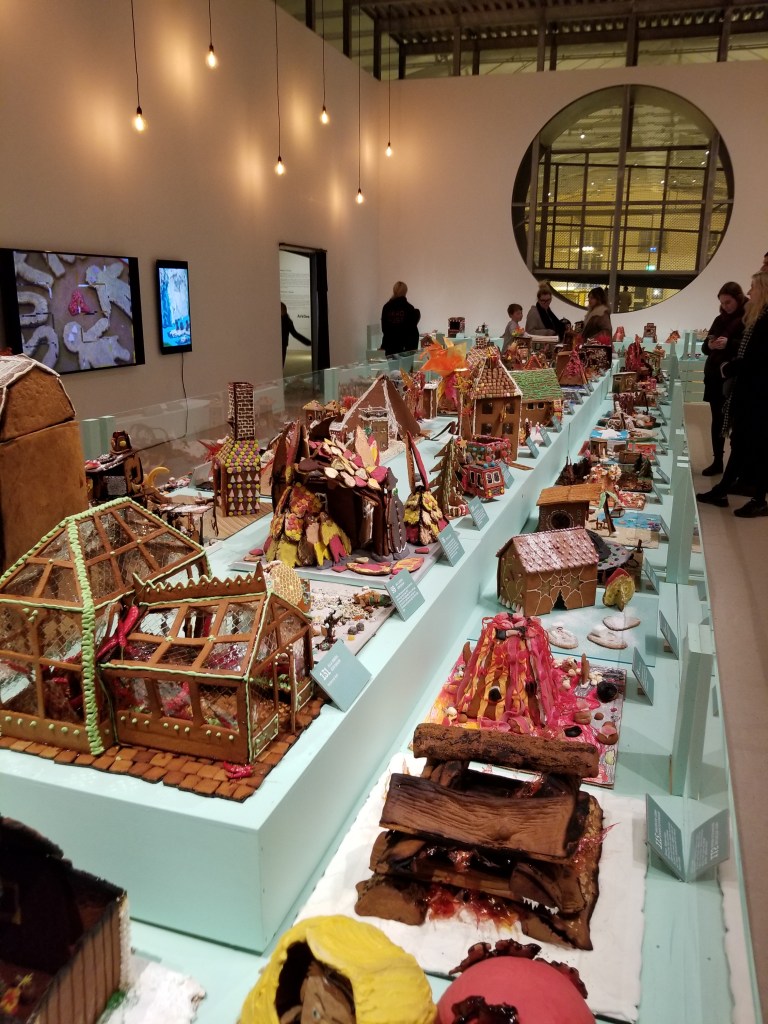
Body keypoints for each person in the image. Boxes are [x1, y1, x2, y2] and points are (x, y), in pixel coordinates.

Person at [697, 271, 768, 517]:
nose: (750, 292)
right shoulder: (756, 317)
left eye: (753, 287)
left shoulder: (761, 320)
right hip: (746, 388)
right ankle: (724, 489)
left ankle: (756, 498)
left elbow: (756, 357)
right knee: (741, 441)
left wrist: (729, 366)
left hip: (755, 391)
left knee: (755, 444)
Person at [700, 282, 746, 476]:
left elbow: (750, 348)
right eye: (722, 303)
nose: (725, 306)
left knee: (738, 424)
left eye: (728, 302)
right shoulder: (719, 320)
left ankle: (738, 469)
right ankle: (717, 460)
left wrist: (729, 344)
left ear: (738, 299)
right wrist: (711, 345)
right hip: (714, 376)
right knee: (717, 419)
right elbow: (705, 347)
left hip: (734, 377)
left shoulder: (747, 318)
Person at [381, 281, 420, 356]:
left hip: (390, 347)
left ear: (394, 291)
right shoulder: (409, 308)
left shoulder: (386, 307)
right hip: (406, 348)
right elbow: (412, 330)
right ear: (405, 292)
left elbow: (384, 329)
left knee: (392, 364)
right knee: (405, 364)